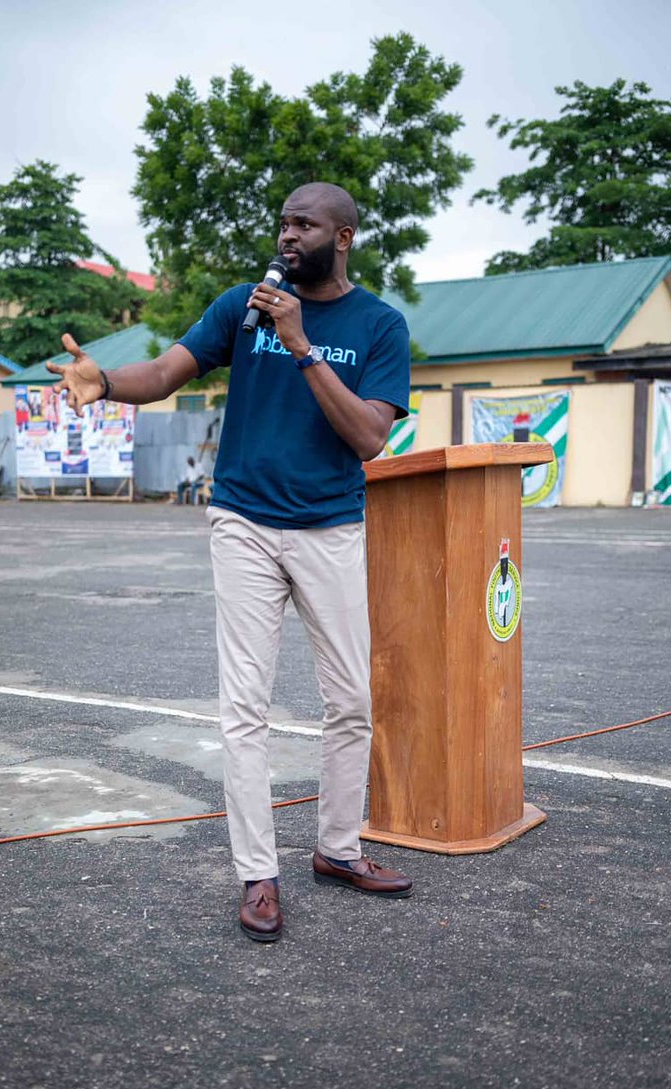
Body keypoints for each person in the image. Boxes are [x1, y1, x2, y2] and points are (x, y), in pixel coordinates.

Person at [47, 181, 414, 942]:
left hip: (330, 527)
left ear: (341, 237)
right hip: (242, 521)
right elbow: (168, 370)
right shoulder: (241, 305)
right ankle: (258, 874)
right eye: (281, 222)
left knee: (350, 701)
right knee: (244, 709)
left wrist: (303, 346)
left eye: (303, 225)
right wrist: (108, 382)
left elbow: (368, 438)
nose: (287, 236)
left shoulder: (379, 325)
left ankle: (338, 850)